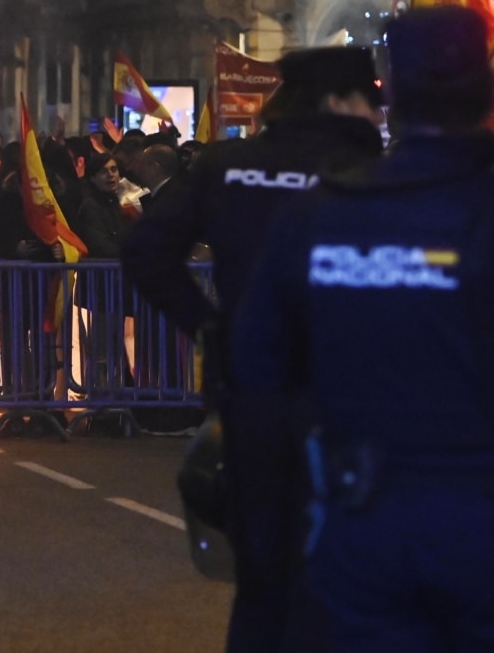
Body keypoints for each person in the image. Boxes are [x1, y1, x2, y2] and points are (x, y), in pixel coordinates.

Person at [234, 6, 494, 653]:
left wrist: (266, 537)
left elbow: (256, 385)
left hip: (362, 516)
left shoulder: (317, 219)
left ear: (392, 96)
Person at [120, 45, 385, 652]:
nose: (375, 116)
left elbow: (146, 252)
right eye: (370, 102)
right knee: (352, 580)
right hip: (354, 405)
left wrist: (209, 326)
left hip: (251, 398)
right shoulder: (372, 172)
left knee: (262, 583)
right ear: (339, 101)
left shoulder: (226, 165)